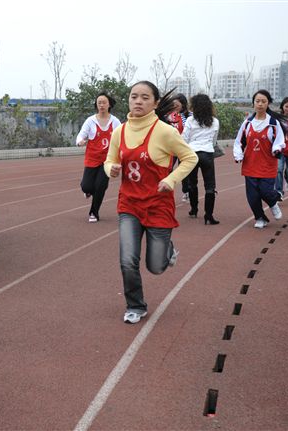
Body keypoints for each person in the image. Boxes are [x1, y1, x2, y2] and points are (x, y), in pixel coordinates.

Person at [103, 81, 198, 324]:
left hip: (158, 206)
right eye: (134, 96)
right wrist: (111, 169)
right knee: (127, 260)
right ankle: (136, 305)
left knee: (156, 267)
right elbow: (109, 159)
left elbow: (190, 157)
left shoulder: (165, 132)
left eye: (145, 97)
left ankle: (166, 248)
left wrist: (171, 179)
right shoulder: (119, 131)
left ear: (155, 103)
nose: (138, 101)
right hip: (129, 205)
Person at [233, 90, 285, 229]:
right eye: (257, 101)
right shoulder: (247, 123)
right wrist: (238, 155)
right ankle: (260, 218)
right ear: (253, 103)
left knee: (265, 191)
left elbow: (280, 141)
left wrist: (276, 149)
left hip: (268, 164)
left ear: (268, 103)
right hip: (250, 164)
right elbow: (238, 142)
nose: (260, 104)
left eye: (263, 101)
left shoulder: (274, 123)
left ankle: (273, 203)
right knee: (253, 196)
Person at [76, 92, 121, 223]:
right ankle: (87, 191)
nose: (101, 105)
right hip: (92, 158)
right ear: (96, 104)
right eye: (99, 102)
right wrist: (80, 141)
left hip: (108, 160)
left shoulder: (115, 121)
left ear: (109, 104)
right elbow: (81, 135)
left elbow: (121, 137)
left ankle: (94, 212)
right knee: (87, 186)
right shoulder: (90, 121)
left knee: (100, 186)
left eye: (104, 102)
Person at [182, 93, 220, 224]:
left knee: (192, 183)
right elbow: (214, 141)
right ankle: (208, 216)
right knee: (210, 186)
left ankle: (194, 209)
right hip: (207, 154)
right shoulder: (214, 121)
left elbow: (184, 139)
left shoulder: (190, 120)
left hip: (192, 153)